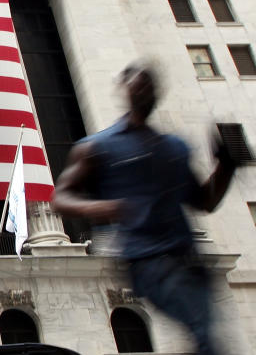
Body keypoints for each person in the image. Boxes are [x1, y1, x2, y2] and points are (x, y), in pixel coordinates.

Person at [53, 62, 238, 355]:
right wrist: (106, 208)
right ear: (124, 91)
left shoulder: (175, 147)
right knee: (205, 337)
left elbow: (204, 202)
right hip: (149, 261)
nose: (144, 91)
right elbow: (61, 198)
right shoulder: (98, 147)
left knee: (207, 338)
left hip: (189, 260)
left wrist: (225, 168)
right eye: (138, 85)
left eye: (149, 86)